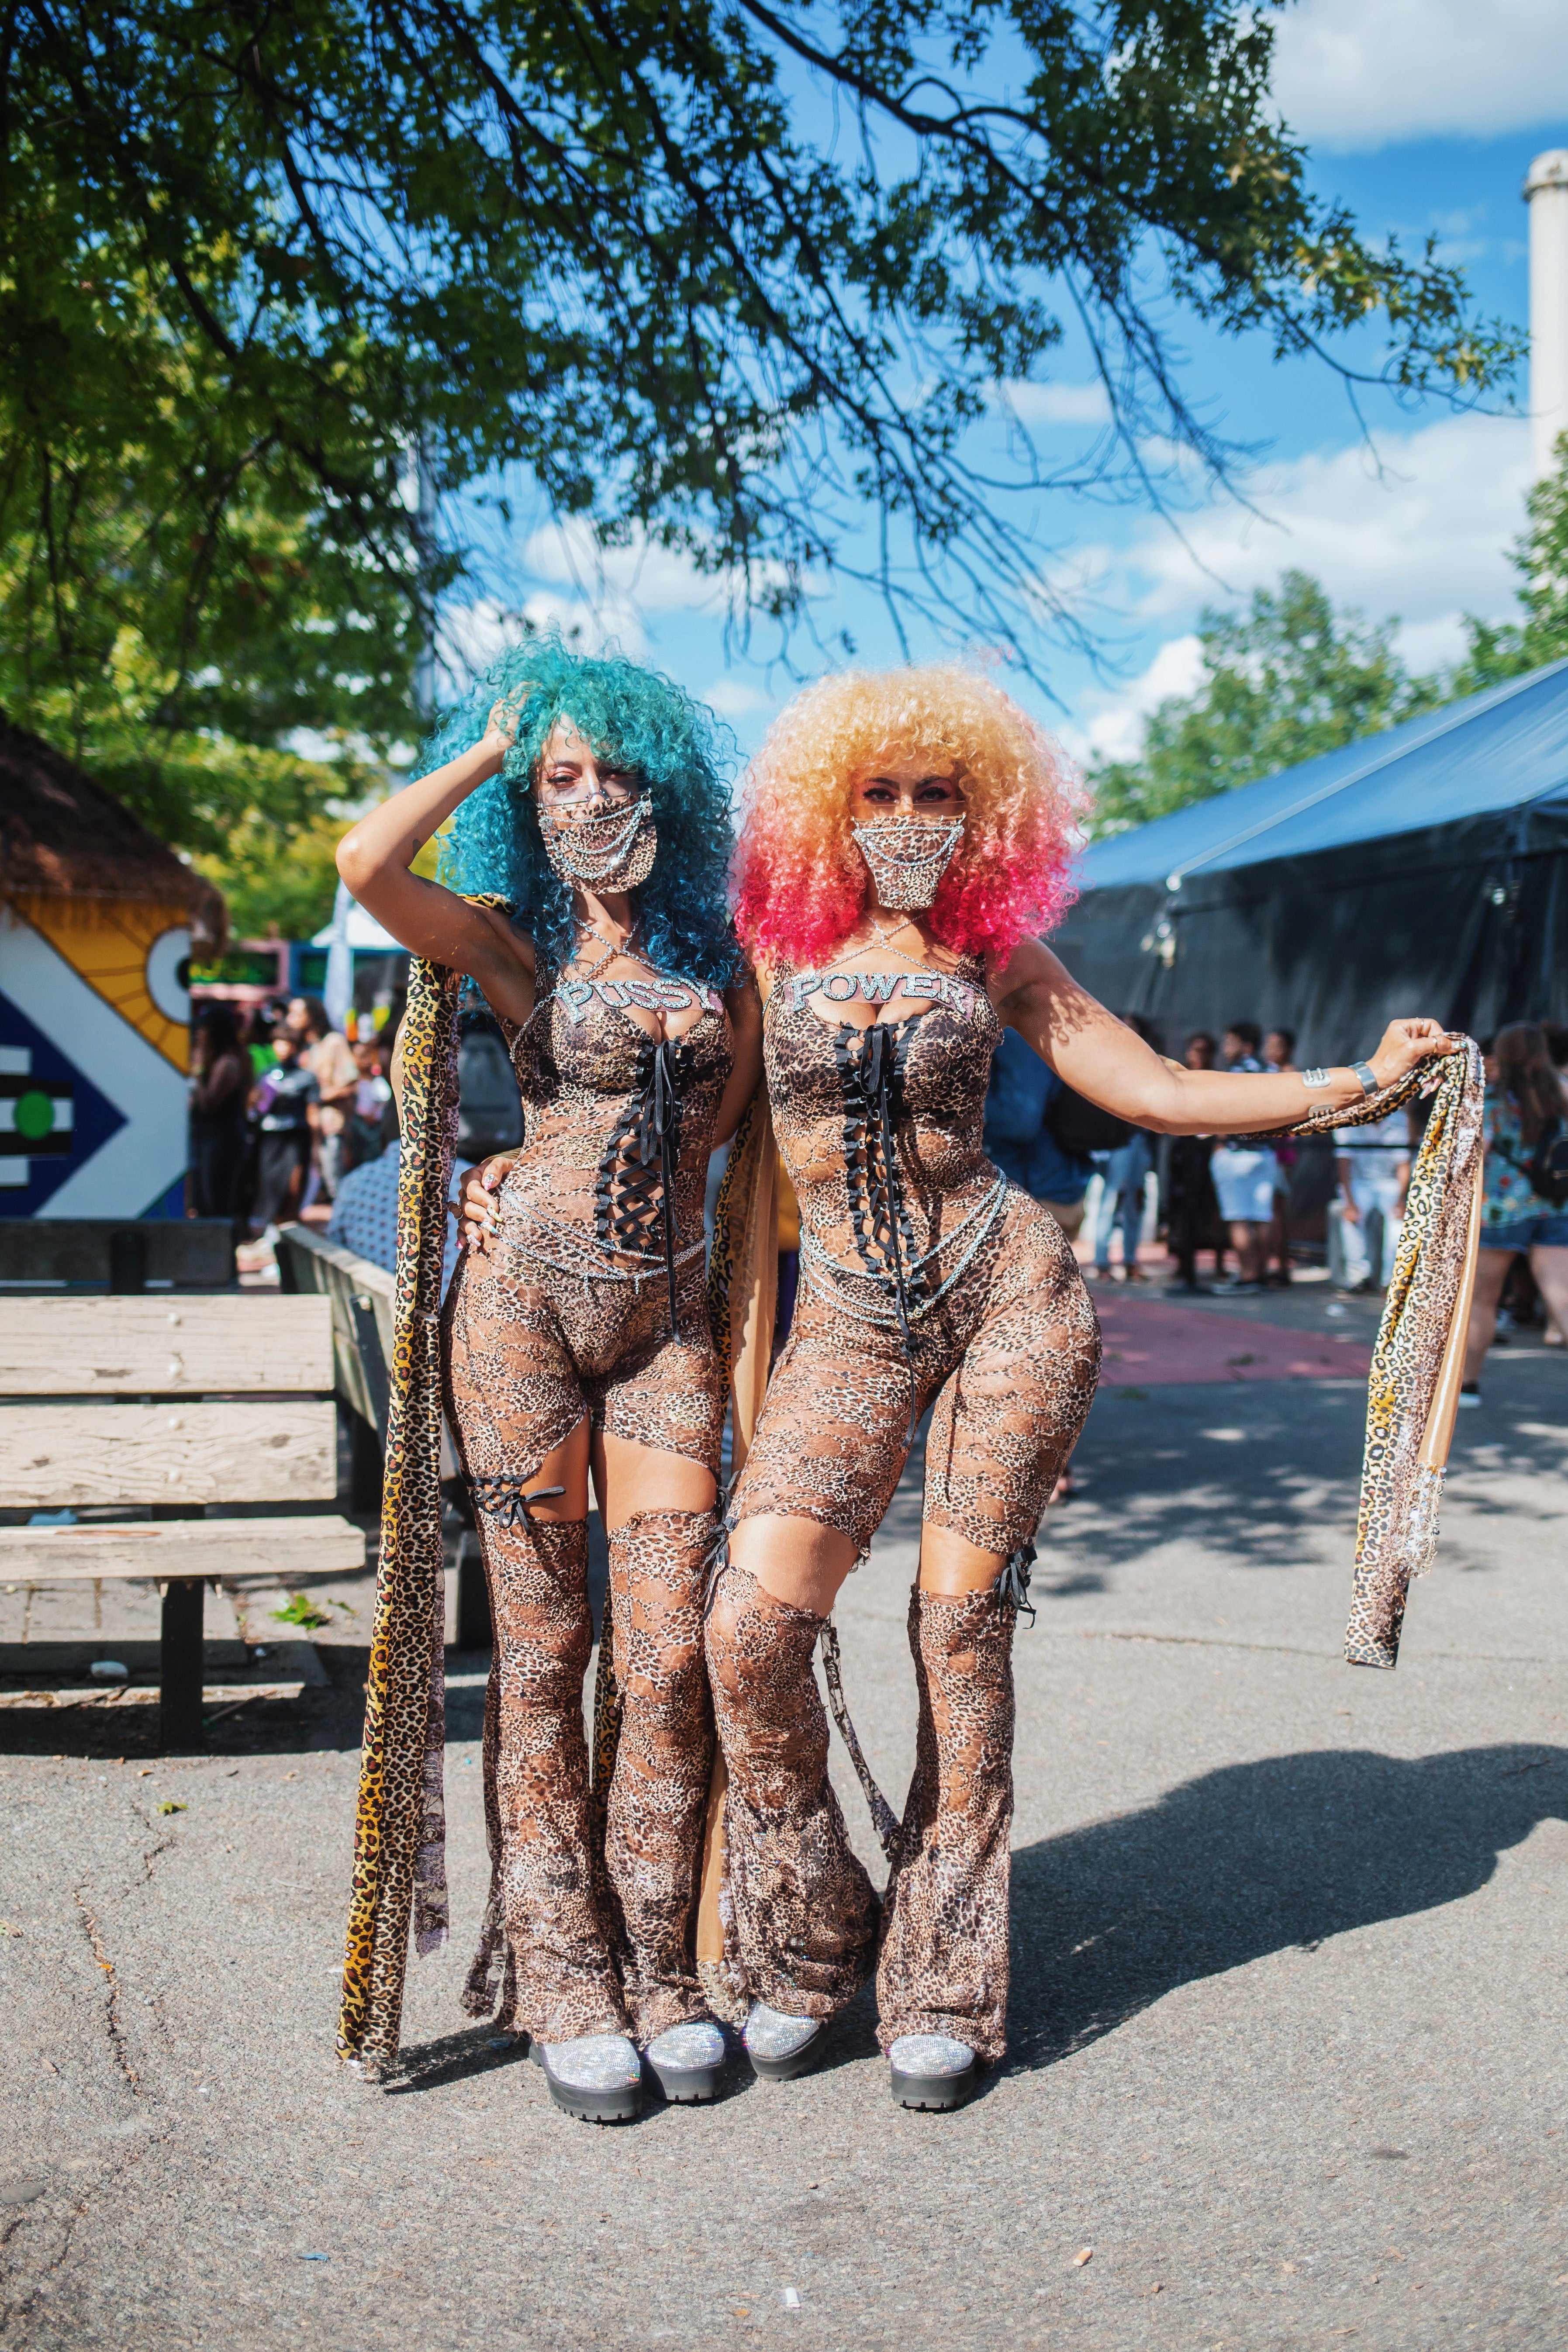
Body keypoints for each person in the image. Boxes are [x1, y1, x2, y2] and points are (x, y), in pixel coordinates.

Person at [694, 661, 1459, 2114]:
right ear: (830, 807)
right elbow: (693, 1123)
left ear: (982, 815)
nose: (911, 815)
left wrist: (1355, 1081)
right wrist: (510, 1175)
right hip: (848, 1321)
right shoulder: (774, 952)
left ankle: (944, 1975)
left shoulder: (996, 954)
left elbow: (1158, 1089)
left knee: (959, 1636)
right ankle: (814, 1936)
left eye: (940, 791)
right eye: (882, 789)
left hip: (1014, 1301)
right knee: (748, 1628)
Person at [334, 636, 762, 2118]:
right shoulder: (513, 942)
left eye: (617, 771)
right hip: (516, 1320)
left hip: (664, 1332)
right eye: (562, 775)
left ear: (668, 790)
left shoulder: (724, 960)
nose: (592, 798)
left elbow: (732, 1147)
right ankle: (561, 1975)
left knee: (665, 1659)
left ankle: (660, 1965)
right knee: (539, 1651)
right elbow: (364, 859)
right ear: (532, 793)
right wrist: (486, 746)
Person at [1461, 1021, 1568, 1403]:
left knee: (1482, 1301)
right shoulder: (1563, 1095)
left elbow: (1475, 1157)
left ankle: (1468, 1386)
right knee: (1562, 1296)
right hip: (1556, 1205)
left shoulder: (1492, 1101)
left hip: (1501, 1211)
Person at [981, 1026, 1093, 1240]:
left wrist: (956, 1107)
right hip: (1037, 1191)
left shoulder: (1015, 1032)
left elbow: (1020, 1121)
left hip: (1037, 1198)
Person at [1088, 1015, 1159, 1282]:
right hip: (1114, 1142)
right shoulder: (1103, 1059)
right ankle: (1103, 1262)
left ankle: (1130, 1261)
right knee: (1109, 1201)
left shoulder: (1146, 1059)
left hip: (1138, 1140)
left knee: (1135, 1202)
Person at [1208, 1021, 1276, 1294]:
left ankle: (1248, 1276)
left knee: (1238, 1217)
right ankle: (1259, 1274)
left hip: (1235, 1154)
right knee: (1261, 1217)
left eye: (1230, 1042)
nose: (1225, 1049)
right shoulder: (1272, 1072)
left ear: (1245, 1045)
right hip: (1265, 1155)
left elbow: (1222, 1112)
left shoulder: (1235, 1073)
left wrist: (1220, 1142)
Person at [1162, 1032, 1225, 1291]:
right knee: (1181, 1209)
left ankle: (1216, 1262)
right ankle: (1183, 1265)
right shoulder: (1177, 1077)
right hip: (1183, 1152)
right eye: (1195, 1050)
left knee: (1209, 1209)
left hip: (1207, 1152)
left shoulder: (1218, 1081)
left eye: (1205, 1051)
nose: (1199, 1056)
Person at [247, 1025, 318, 1234]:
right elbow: (255, 1106)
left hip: (296, 1139)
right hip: (269, 1140)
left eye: (288, 1043)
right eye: (278, 1042)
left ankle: (289, 1230)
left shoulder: (307, 1078)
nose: (283, 1048)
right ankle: (270, 1230)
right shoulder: (266, 1074)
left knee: (293, 1186)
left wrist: (316, 1146)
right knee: (269, 1186)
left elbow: (313, 1112)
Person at [1334, 1106, 1412, 1293]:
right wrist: (1350, 1204)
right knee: (1350, 1220)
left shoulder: (1399, 1120)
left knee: (1398, 1224)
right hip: (1359, 1183)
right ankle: (1358, 1277)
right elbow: (1344, 1166)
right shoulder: (1349, 1121)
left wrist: (1401, 1200)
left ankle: (1391, 1280)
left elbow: (1404, 1166)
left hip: (1390, 1182)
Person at [290, 995, 359, 1200]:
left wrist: (318, 1097)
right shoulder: (301, 1047)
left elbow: (351, 1084)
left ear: (311, 1016)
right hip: (304, 1126)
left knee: (333, 1179)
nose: (291, 1019)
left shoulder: (334, 1042)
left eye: (297, 1014)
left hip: (329, 1125)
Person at [186, 1001, 250, 1222]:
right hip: (206, 1138)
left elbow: (208, 1104)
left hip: (221, 1140)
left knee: (216, 1203)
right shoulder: (219, 1062)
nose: (198, 1036)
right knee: (202, 1202)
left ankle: (223, 1252)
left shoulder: (227, 1064)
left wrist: (197, 1069)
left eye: (202, 1030)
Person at [1264, 1028, 1299, 1287]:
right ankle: (1271, 1265)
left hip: (1279, 1153)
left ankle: (1281, 1267)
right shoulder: (1268, 1074)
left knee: (1276, 1210)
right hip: (1269, 1151)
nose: (1269, 1051)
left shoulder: (1291, 1076)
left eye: (1275, 1046)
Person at [342, 1032, 394, 1176]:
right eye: (360, 1056)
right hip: (359, 1131)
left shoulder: (379, 1080)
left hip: (376, 1131)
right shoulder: (351, 1085)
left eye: (367, 1055)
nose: (364, 1060)